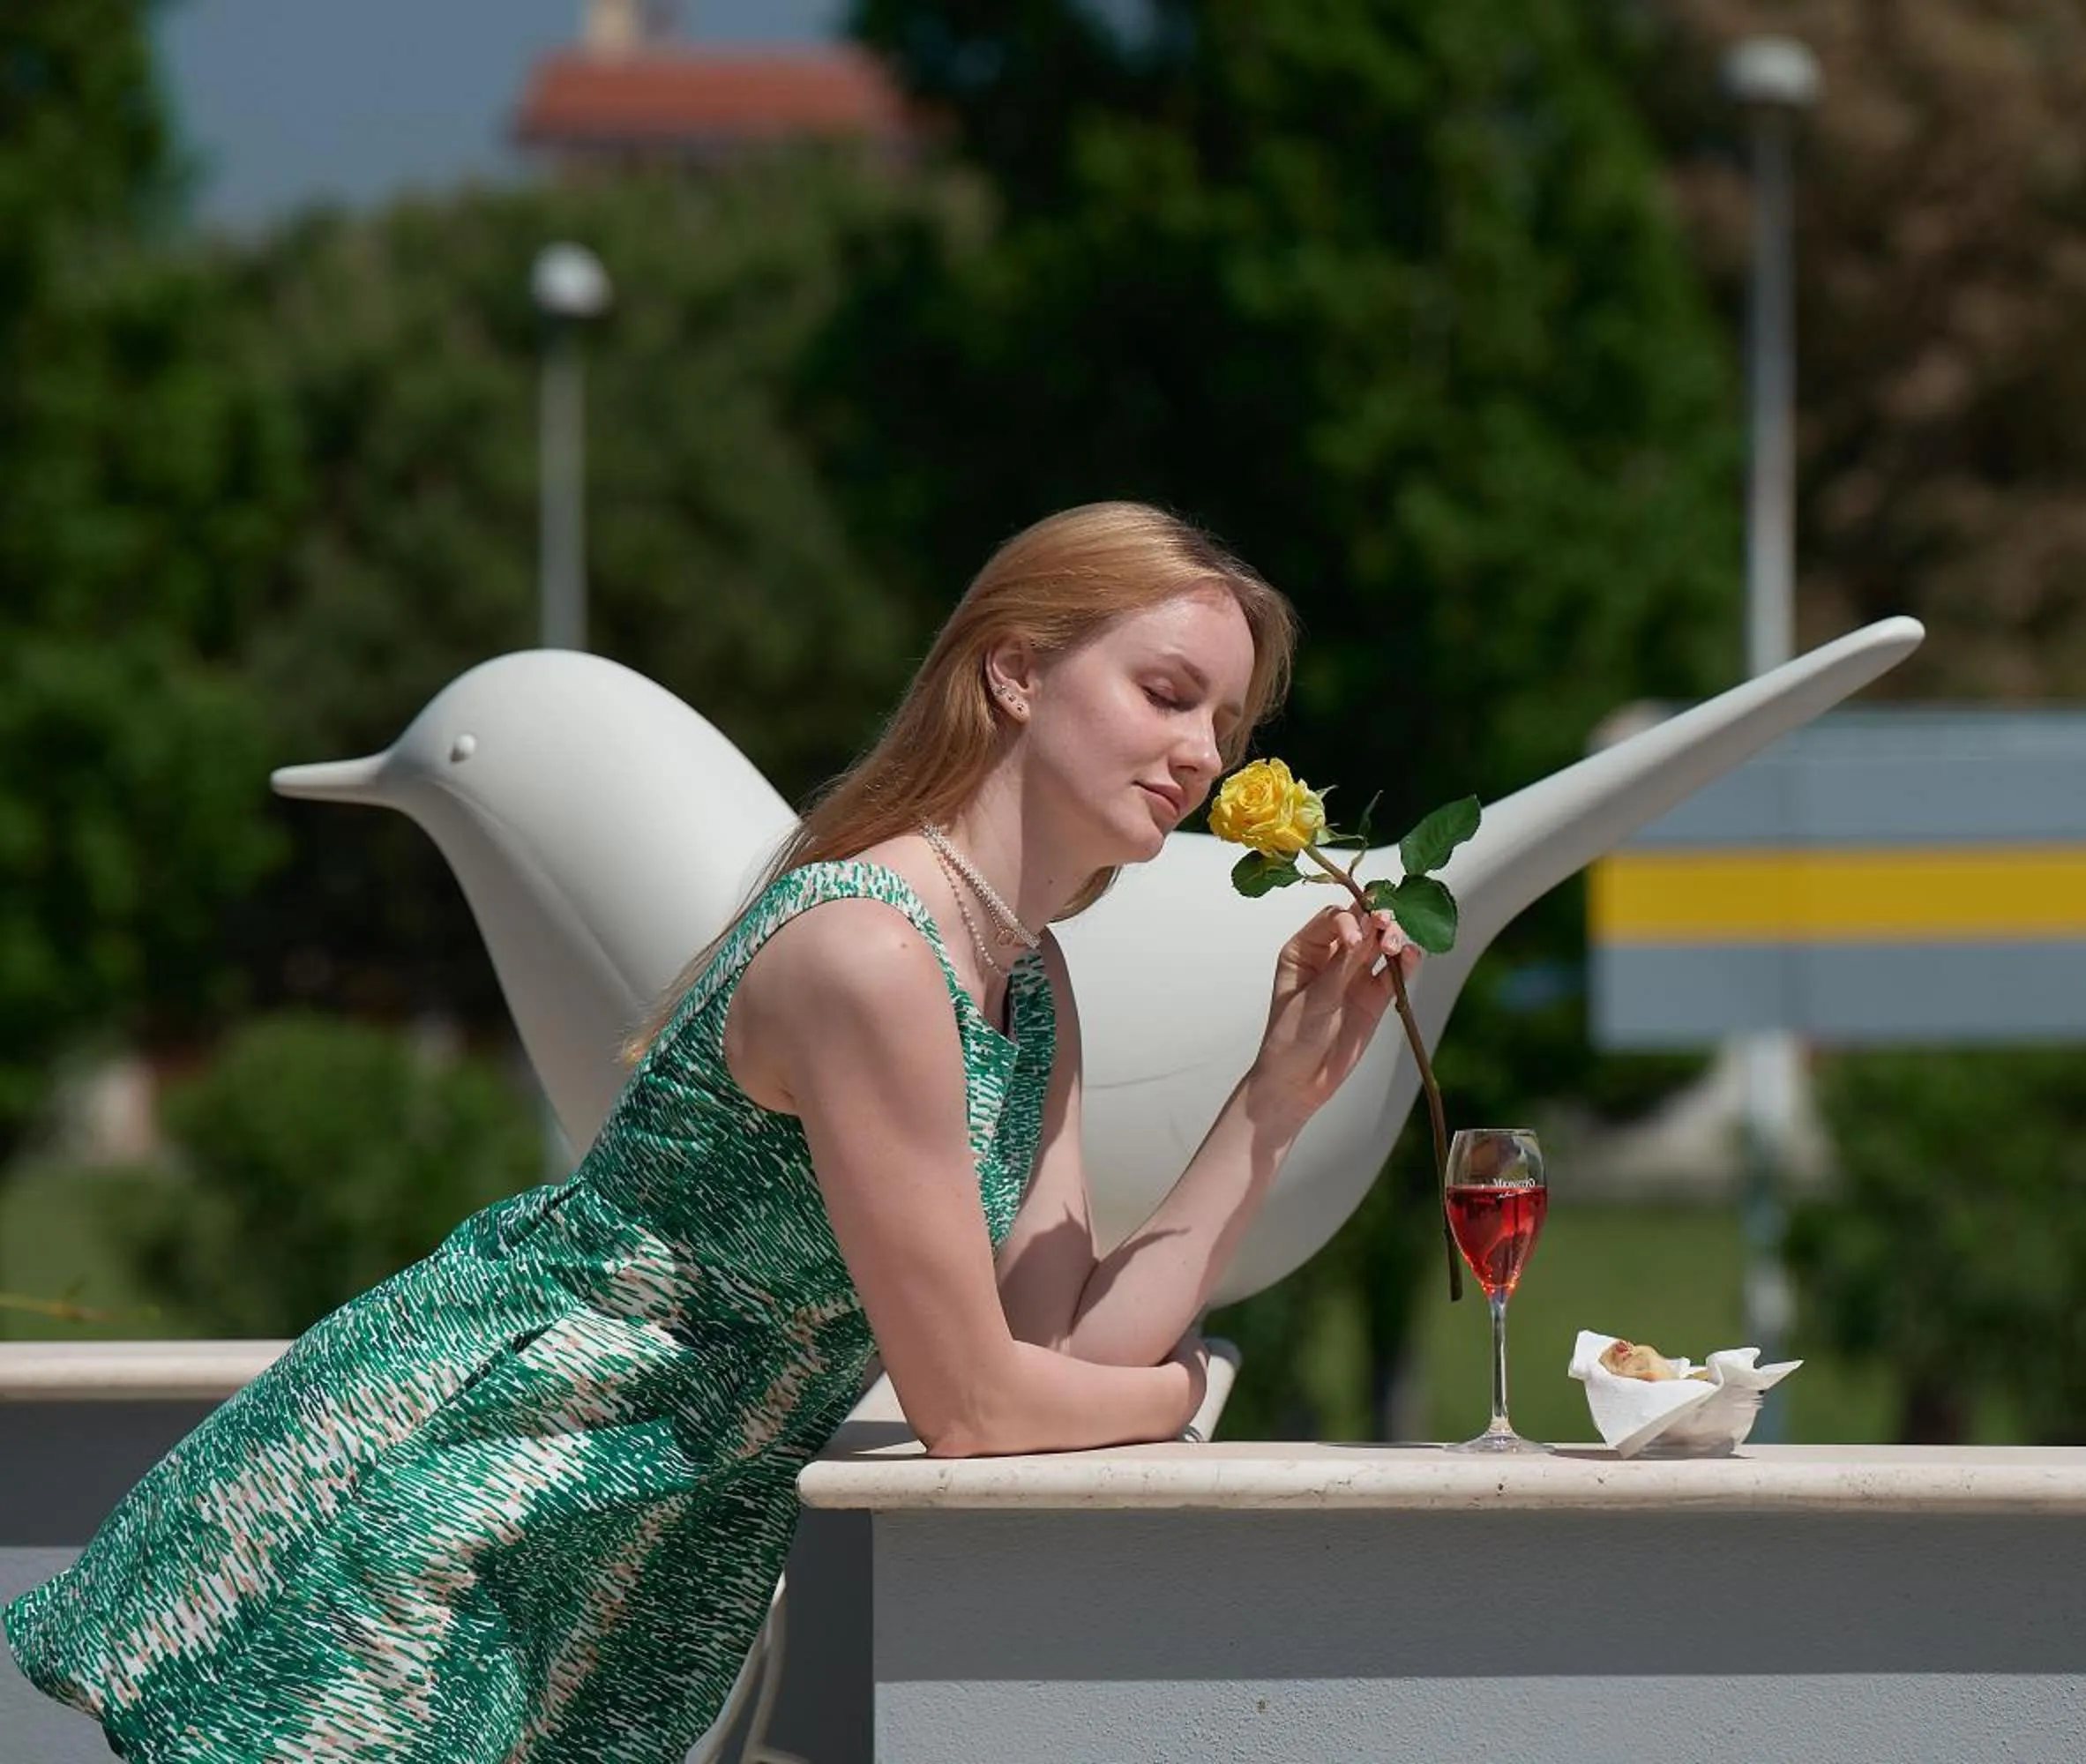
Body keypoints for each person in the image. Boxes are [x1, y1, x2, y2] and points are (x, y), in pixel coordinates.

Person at [4, 502, 1419, 1762]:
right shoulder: (874, 953)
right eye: (1168, 695)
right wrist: (1187, 1394)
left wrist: (1270, 1106)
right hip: (466, 1494)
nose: (1198, 757)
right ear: (1017, 671)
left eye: (1225, 729)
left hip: (612, 1544)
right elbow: (978, 1410)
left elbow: (1053, 1366)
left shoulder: (1026, 984)